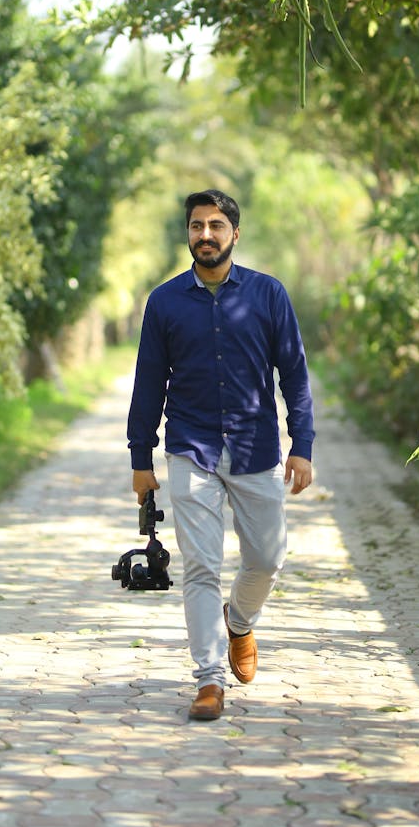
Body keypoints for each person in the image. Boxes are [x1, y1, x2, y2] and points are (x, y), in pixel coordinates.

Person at [127, 188, 315, 721]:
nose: (204, 235)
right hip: (191, 448)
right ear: (187, 234)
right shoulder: (164, 302)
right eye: (195, 226)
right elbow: (147, 383)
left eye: (215, 225)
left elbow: (294, 375)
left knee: (267, 558)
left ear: (235, 233)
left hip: (256, 447)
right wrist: (141, 459)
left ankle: (240, 622)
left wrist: (302, 445)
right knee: (202, 567)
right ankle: (209, 680)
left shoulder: (268, 294)